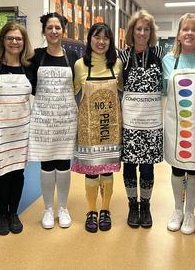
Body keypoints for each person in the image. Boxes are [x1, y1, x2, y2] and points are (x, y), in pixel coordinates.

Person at [163, 13, 195, 235]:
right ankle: (177, 210)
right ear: (178, 34)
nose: (189, 33)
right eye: (185, 29)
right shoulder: (167, 60)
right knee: (177, 168)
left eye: (194, 30)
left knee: (193, 169)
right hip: (176, 125)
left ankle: (191, 213)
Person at [0, 22, 34, 236]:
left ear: (24, 42)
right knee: (2, 175)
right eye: (10, 38)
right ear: (2, 40)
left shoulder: (29, 67)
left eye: (18, 39)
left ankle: (14, 213)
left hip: (22, 130)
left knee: (18, 174)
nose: (14, 42)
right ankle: (1, 215)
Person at [28, 12, 78, 229]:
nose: (54, 31)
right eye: (50, 28)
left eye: (58, 27)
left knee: (64, 164)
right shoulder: (35, 57)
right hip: (43, 120)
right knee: (47, 164)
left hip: (66, 120)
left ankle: (63, 208)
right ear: (44, 31)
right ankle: (48, 209)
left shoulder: (73, 58)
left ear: (63, 31)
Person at [72, 23, 123, 233]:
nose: (101, 42)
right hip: (88, 128)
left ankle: (106, 210)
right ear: (90, 39)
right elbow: (74, 93)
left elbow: (122, 92)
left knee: (108, 170)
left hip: (110, 127)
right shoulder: (79, 65)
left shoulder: (117, 64)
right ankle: (91, 211)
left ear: (110, 42)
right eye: (97, 37)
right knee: (92, 173)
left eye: (105, 38)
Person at [119, 10, 163, 228]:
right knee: (129, 166)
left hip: (151, 124)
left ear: (151, 32)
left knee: (146, 167)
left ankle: (145, 205)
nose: (142, 33)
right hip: (129, 123)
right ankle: (131, 205)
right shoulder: (122, 57)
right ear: (132, 31)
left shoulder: (160, 53)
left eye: (146, 29)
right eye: (139, 29)